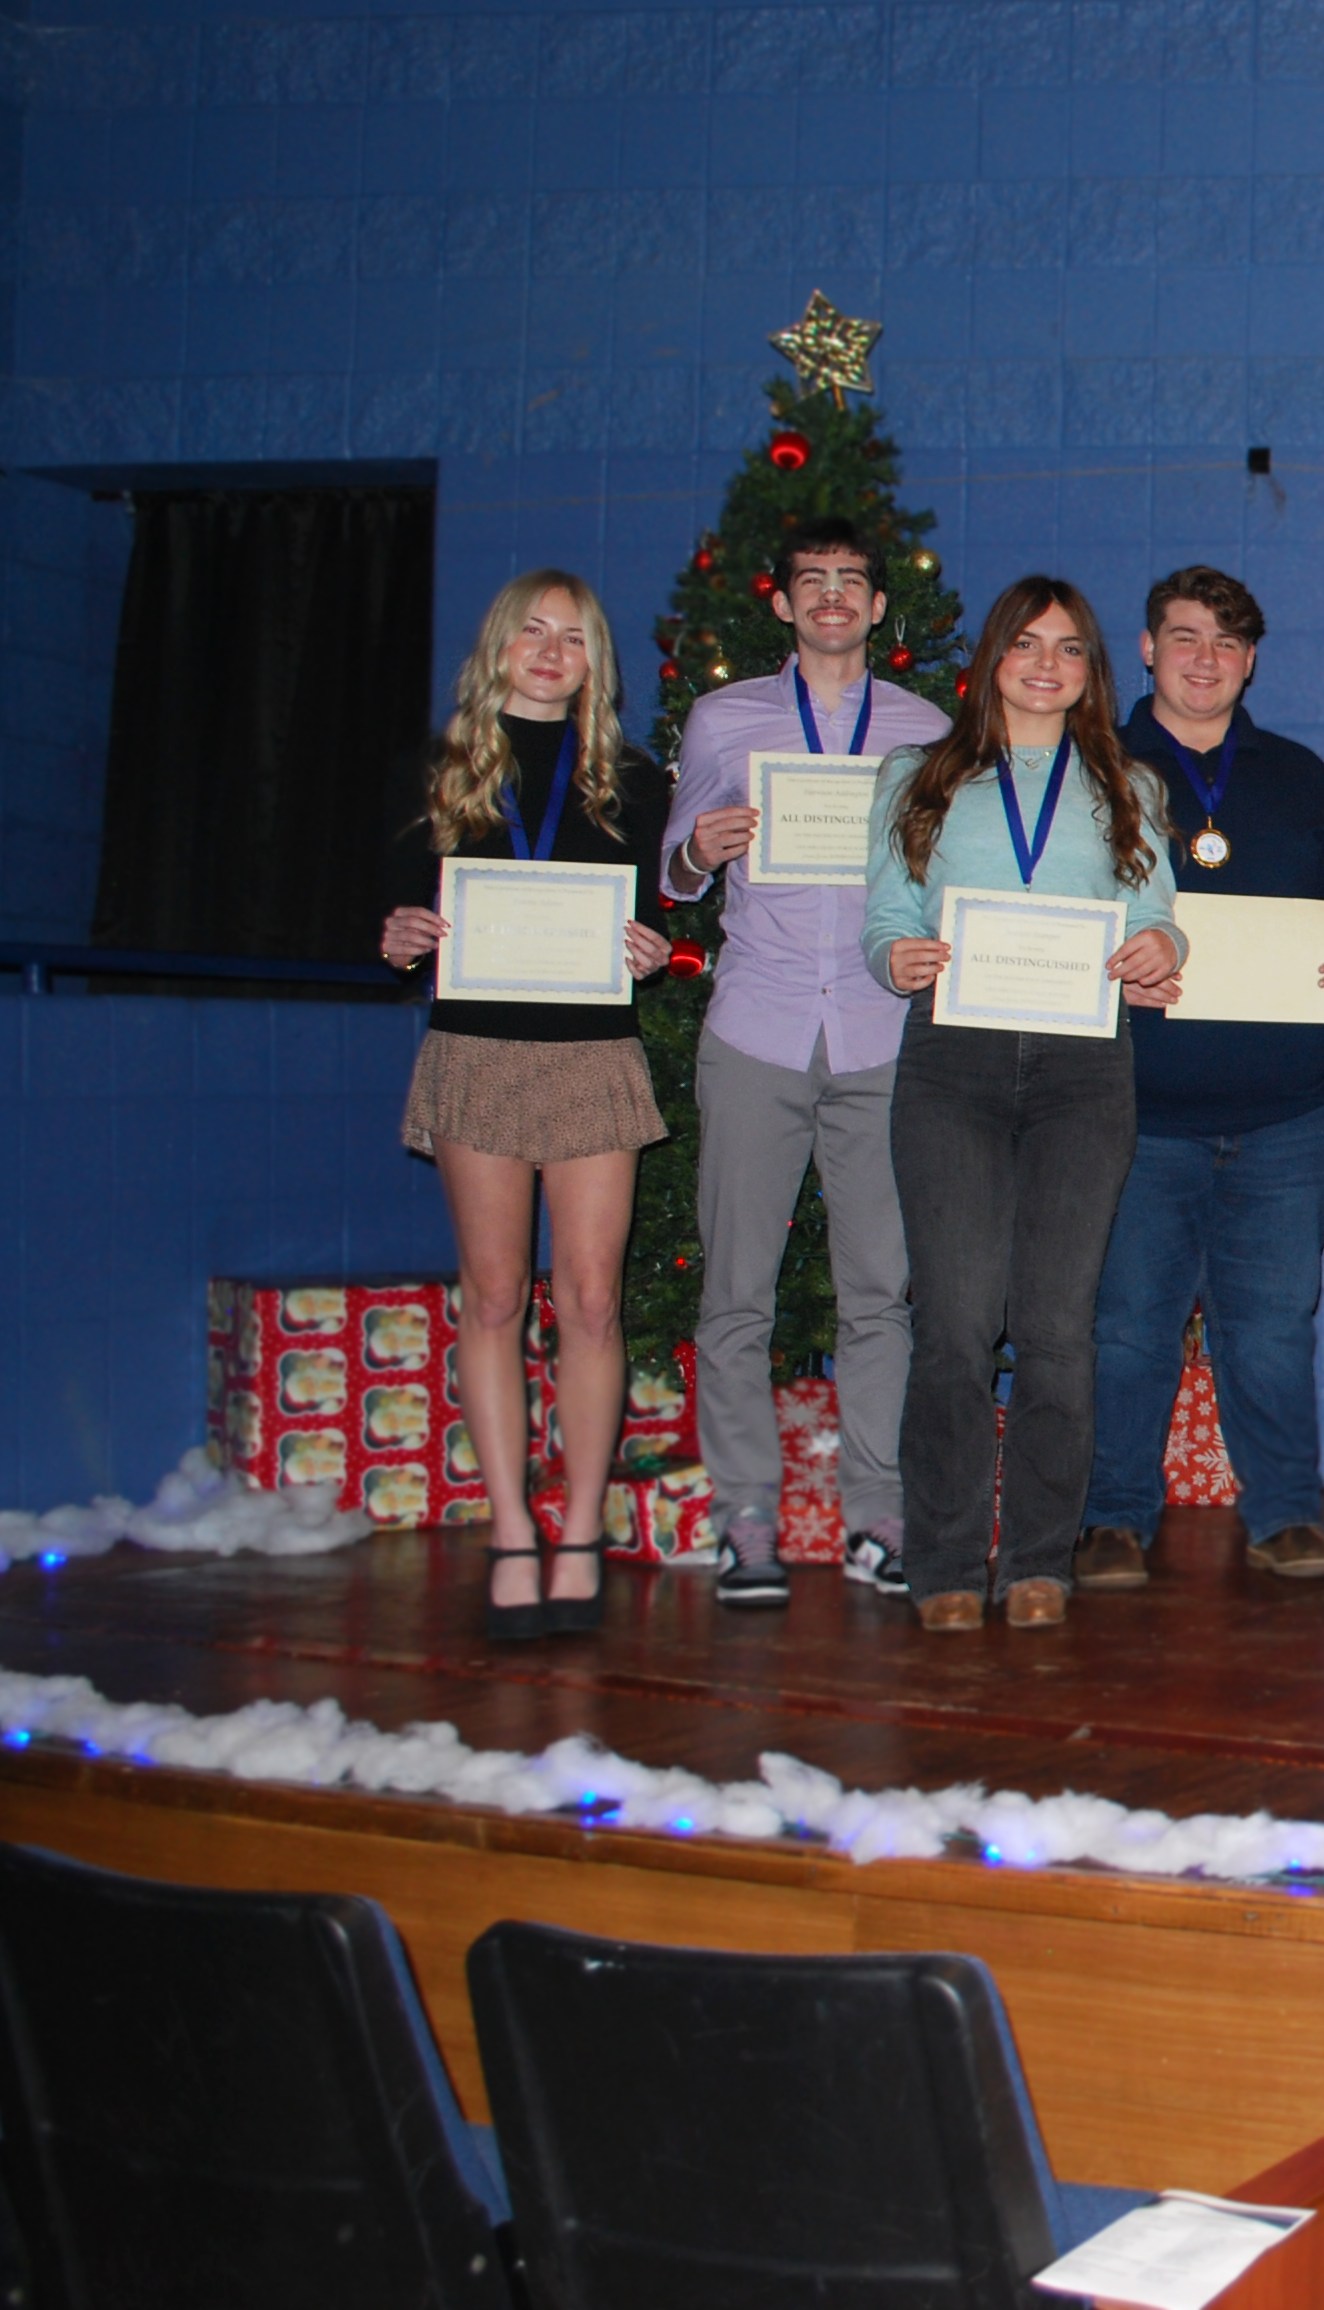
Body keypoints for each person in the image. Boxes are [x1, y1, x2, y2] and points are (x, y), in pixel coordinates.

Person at [865, 578, 1186, 1633]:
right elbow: (884, 917)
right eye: (1026, 645)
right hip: (948, 1065)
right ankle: (946, 1559)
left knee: (1055, 1330)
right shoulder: (917, 777)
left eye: (1071, 650)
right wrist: (894, 956)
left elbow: (1157, 917)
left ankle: (1041, 1555)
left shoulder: (1129, 783)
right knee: (954, 1324)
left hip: (1083, 1072)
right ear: (991, 655)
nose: (1047, 665)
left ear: (1094, 671)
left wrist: (1156, 950)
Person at [657, 519, 950, 1606]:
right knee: (736, 1293)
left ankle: (878, 1515)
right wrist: (702, 845)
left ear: (879, 607)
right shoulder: (724, 717)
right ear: (781, 603)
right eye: (811, 582)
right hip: (758, 1031)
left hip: (880, 1031)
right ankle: (746, 1522)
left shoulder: (924, 728)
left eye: (852, 582)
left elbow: (938, 876)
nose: (832, 597)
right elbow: (676, 872)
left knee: (881, 1293)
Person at [377, 570, 673, 1641]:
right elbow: (390, 911)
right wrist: (398, 936)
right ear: (497, 645)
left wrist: (651, 950)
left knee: (590, 1301)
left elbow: (651, 920)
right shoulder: (438, 768)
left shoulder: (631, 779)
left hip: (591, 1053)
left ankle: (581, 1529)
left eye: (576, 638)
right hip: (478, 1054)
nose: (552, 653)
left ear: (598, 662)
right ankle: (511, 1530)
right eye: (533, 633)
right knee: (493, 1298)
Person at [1081, 567, 1324, 1589]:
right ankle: (1111, 1518)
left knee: (1271, 1333)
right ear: (1148, 648)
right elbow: (1052, 919)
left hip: (1284, 1118)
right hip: (1134, 1113)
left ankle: (1286, 1514)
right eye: (1185, 636)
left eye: (1226, 642)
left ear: (1250, 662)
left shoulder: (1299, 777)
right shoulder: (1095, 771)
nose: (1205, 657)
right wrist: (1102, 974)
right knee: (1124, 1330)